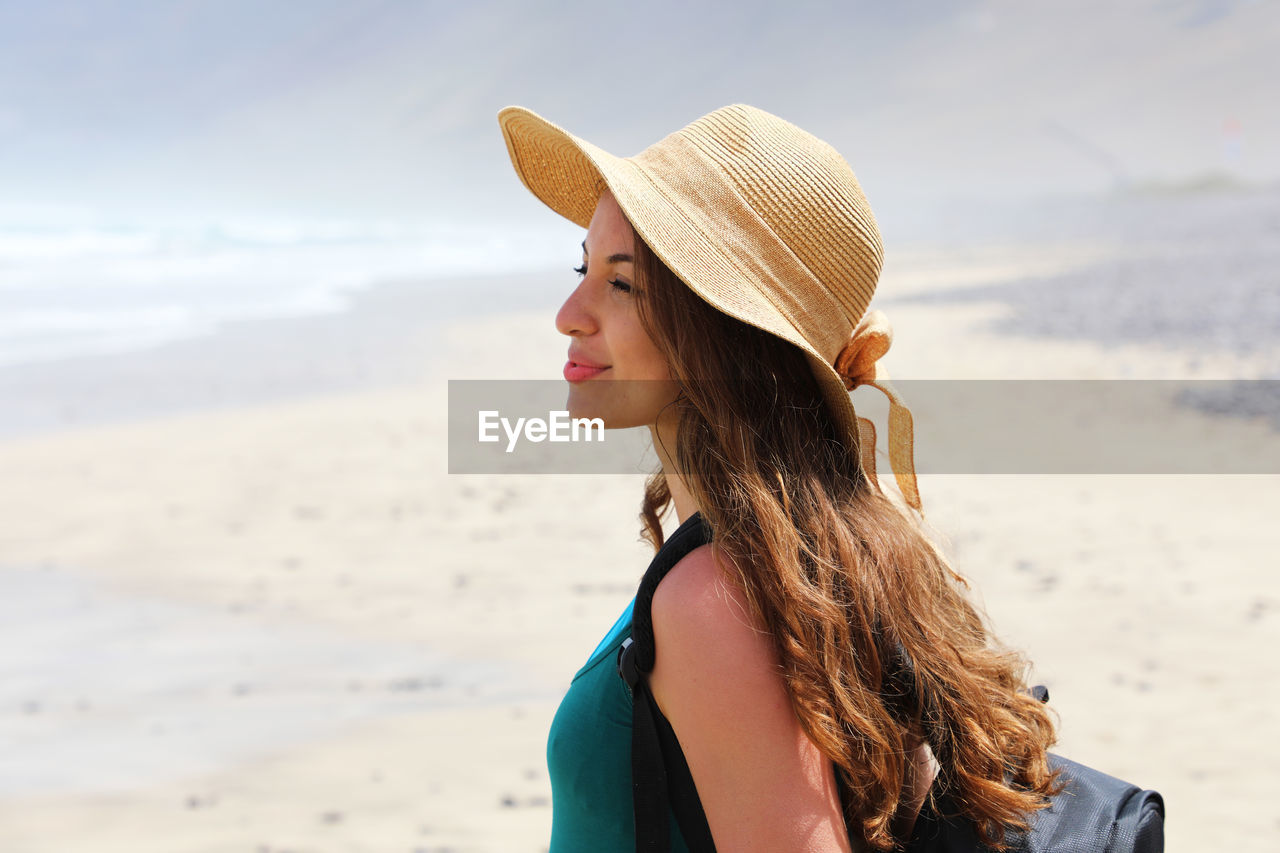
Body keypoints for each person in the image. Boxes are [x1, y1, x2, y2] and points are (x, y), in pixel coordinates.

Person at [497, 104, 1058, 852]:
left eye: (623, 285)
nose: (570, 314)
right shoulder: (829, 542)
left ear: (720, 326)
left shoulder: (715, 596)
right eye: (583, 268)